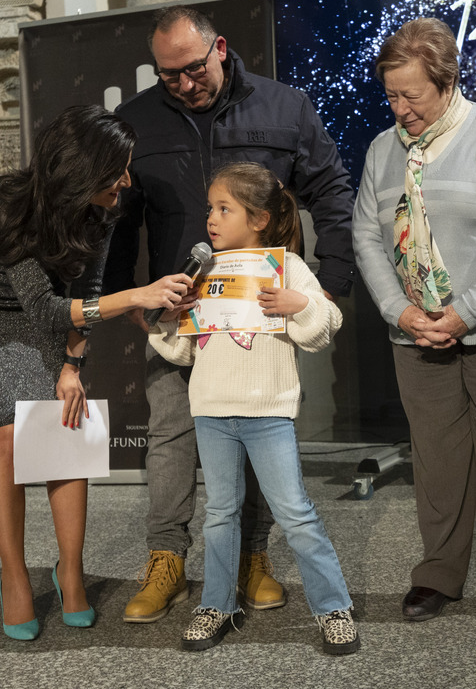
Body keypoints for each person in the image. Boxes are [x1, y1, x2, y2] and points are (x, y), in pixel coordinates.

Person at [102, 4, 356, 623]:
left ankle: (253, 558)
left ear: (220, 48)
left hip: (259, 318)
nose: (184, 85)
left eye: (193, 69)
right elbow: (115, 218)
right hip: (178, 312)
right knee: (168, 439)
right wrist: (124, 297)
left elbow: (330, 190)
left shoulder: (285, 107)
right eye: (169, 76)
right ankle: (166, 559)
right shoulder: (133, 121)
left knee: (260, 437)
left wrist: (330, 282)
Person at [0, 105, 196, 641]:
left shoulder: (103, 209)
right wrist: (138, 297)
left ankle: (69, 571)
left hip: (49, 309)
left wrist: (72, 364)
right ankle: (14, 577)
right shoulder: (8, 202)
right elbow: (49, 310)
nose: (126, 181)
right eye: (117, 169)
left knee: (64, 423)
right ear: (80, 168)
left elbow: (85, 294)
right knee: (6, 435)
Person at [352, 18, 476, 630]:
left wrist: (467, 314)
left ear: (447, 82)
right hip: (417, 330)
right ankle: (439, 573)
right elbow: (366, 233)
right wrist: (401, 312)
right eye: (390, 95)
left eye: (411, 94)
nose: (400, 108)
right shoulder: (383, 150)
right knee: (436, 456)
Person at [149, 162, 358, 655]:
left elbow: (323, 326)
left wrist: (298, 304)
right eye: (210, 209)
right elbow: (183, 352)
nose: (212, 220)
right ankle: (217, 605)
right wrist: (168, 320)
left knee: (295, 512)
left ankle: (333, 609)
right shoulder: (202, 272)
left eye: (225, 209)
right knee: (219, 512)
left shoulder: (286, 267)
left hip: (268, 412)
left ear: (260, 219)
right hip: (212, 411)